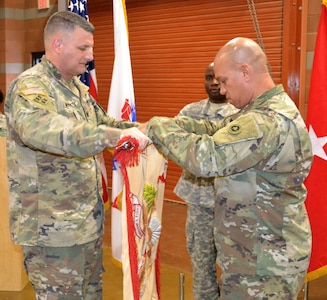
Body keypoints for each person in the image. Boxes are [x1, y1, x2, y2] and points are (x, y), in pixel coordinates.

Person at [139, 37, 312, 299]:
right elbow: (218, 130)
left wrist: (155, 127)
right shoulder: (261, 111)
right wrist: (174, 125)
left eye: (224, 81)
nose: (220, 90)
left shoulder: (264, 121)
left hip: (262, 266)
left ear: (245, 72)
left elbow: (206, 157)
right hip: (259, 255)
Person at [5, 11, 148, 300]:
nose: (90, 56)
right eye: (84, 48)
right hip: (53, 232)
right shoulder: (31, 88)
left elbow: (107, 124)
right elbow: (46, 130)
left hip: (85, 226)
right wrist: (113, 138)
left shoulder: (77, 90)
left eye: (91, 48)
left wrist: (146, 129)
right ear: (58, 44)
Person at [174, 62, 237, 300]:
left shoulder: (240, 112)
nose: (212, 83)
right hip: (198, 201)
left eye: (217, 78)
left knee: (232, 261)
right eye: (207, 77)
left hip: (230, 203)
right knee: (201, 261)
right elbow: (175, 143)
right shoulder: (190, 111)